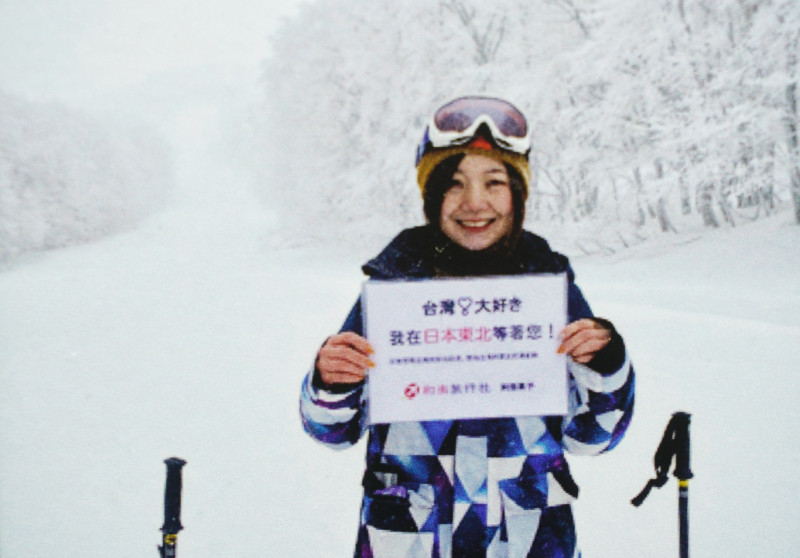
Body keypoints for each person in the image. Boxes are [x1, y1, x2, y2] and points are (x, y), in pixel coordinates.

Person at [299, 96, 635, 558]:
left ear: (517, 192)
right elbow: (331, 431)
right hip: (409, 536)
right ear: (431, 197)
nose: (474, 203)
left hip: (528, 538)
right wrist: (330, 382)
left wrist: (606, 365)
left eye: (494, 182)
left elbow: (594, 438)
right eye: (454, 185)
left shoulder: (548, 286)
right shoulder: (394, 285)